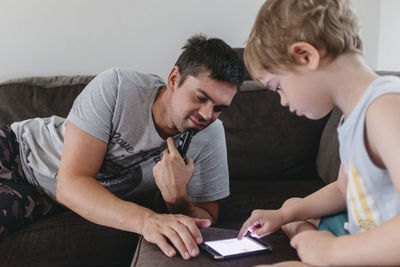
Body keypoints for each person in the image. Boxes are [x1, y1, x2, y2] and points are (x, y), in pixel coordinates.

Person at [0, 34, 244, 260]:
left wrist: (178, 199)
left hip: (43, 197)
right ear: (173, 79)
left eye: (219, 108)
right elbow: (71, 182)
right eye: (200, 98)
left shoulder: (209, 137)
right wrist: (148, 220)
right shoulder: (118, 87)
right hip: (17, 147)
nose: (207, 115)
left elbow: (208, 219)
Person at [237, 0, 400, 266]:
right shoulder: (352, 116)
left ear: (306, 56)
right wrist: (281, 215)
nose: (283, 101)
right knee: (291, 207)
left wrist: (332, 251)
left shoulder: (385, 108)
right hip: (364, 233)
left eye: (278, 86)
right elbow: (342, 189)